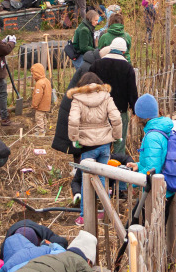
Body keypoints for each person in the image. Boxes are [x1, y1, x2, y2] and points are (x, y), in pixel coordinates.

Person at [67, 72, 122, 224]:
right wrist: (117, 136)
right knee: (103, 178)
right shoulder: (106, 96)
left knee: (86, 180)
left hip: (87, 145)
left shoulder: (77, 99)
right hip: (105, 143)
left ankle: (85, 216)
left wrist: (74, 138)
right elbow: (116, 117)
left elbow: (73, 119)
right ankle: (106, 212)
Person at [52, 50, 102, 205]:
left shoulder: (85, 66)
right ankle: (81, 176)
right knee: (78, 143)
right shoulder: (89, 71)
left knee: (76, 142)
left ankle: (78, 171)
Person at [89, 40, 139, 158]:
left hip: (100, 110)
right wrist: (134, 109)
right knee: (119, 141)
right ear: (123, 51)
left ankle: (101, 164)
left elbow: (88, 85)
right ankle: (117, 168)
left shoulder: (96, 65)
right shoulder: (127, 67)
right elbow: (132, 91)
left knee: (100, 140)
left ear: (110, 49)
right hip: (119, 111)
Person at [29, 62, 53, 136]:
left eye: (33, 74)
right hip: (46, 105)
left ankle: (40, 132)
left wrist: (34, 104)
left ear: (37, 73)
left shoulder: (39, 83)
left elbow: (38, 96)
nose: (33, 76)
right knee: (43, 117)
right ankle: (44, 129)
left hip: (41, 105)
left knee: (39, 118)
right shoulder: (46, 81)